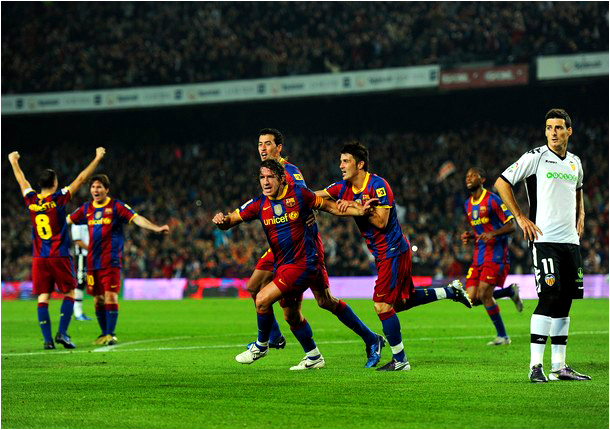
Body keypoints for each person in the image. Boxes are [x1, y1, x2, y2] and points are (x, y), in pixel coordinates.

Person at [319, 142, 472, 371]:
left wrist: (357, 207)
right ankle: (450, 292)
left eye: (346, 161)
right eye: (340, 161)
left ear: (360, 164)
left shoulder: (378, 186)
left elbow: (381, 222)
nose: (341, 165)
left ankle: (400, 360)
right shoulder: (342, 187)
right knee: (401, 302)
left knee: (382, 305)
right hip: (384, 253)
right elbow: (314, 196)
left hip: (392, 250)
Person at [213, 159, 377, 370]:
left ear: (282, 178)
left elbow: (331, 207)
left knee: (261, 298)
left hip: (304, 263)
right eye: (262, 177)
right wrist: (221, 221)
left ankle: (261, 345)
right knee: (298, 312)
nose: (266, 182)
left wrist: (360, 211)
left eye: (270, 177)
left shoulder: (299, 194)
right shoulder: (259, 204)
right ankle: (315, 356)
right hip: (284, 264)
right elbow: (230, 220)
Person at [245, 128, 385, 368]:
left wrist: (312, 212)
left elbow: (306, 198)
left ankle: (371, 339)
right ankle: (275, 337)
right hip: (281, 248)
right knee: (254, 286)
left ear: (279, 148)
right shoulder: (267, 173)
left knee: (323, 301)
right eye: (260, 144)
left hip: (302, 247)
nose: (263, 148)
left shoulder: (290, 172)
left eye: (268, 144)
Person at [495, 108, 591, 383]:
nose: (553, 133)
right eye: (549, 128)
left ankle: (559, 367)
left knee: (565, 302)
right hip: (544, 239)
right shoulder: (535, 157)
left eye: (558, 128)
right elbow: (501, 183)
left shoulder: (575, 162)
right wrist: (519, 216)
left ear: (569, 131)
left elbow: (578, 189)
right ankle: (535, 366)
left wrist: (582, 214)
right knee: (549, 297)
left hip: (570, 241)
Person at [8, 147, 106, 350]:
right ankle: (62, 332)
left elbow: (21, 180)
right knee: (69, 293)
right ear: (54, 183)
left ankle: (47, 340)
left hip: (39, 257)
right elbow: (81, 179)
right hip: (59, 255)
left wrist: (14, 161)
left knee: (43, 297)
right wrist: (97, 158)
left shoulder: (31, 200)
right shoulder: (58, 198)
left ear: (39, 184)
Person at [67, 174, 170, 346]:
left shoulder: (116, 206)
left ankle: (111, 334)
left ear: (107, 189)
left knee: (111, 296)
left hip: (111, 260)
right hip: (92, 262)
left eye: (99, 187)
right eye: (93, 187)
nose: (95, 190)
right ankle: (103, 333)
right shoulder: (86, 208)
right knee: (98, 299)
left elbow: (137, 218)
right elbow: (67, 220)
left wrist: (155, 228)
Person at [460, 167, 523, 346]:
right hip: (478, 255)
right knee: (471, 298)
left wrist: (493, 234)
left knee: (484, 294)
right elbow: (480, 231)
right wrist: (470, 236)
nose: (469, 178)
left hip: (496, 254)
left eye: (473, 175)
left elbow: (512, 226)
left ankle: (503, 336)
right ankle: (509, 292)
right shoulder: (467, 204)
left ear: (482, 179)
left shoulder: (493, 200)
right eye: (467, 176)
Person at [71, 223, 92, 321]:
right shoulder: (76, 221)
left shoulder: (90, 218)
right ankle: (77, 312)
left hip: (91, 255)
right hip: (82, 256)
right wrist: (92, 249)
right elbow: (78, 241)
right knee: (80, 282)